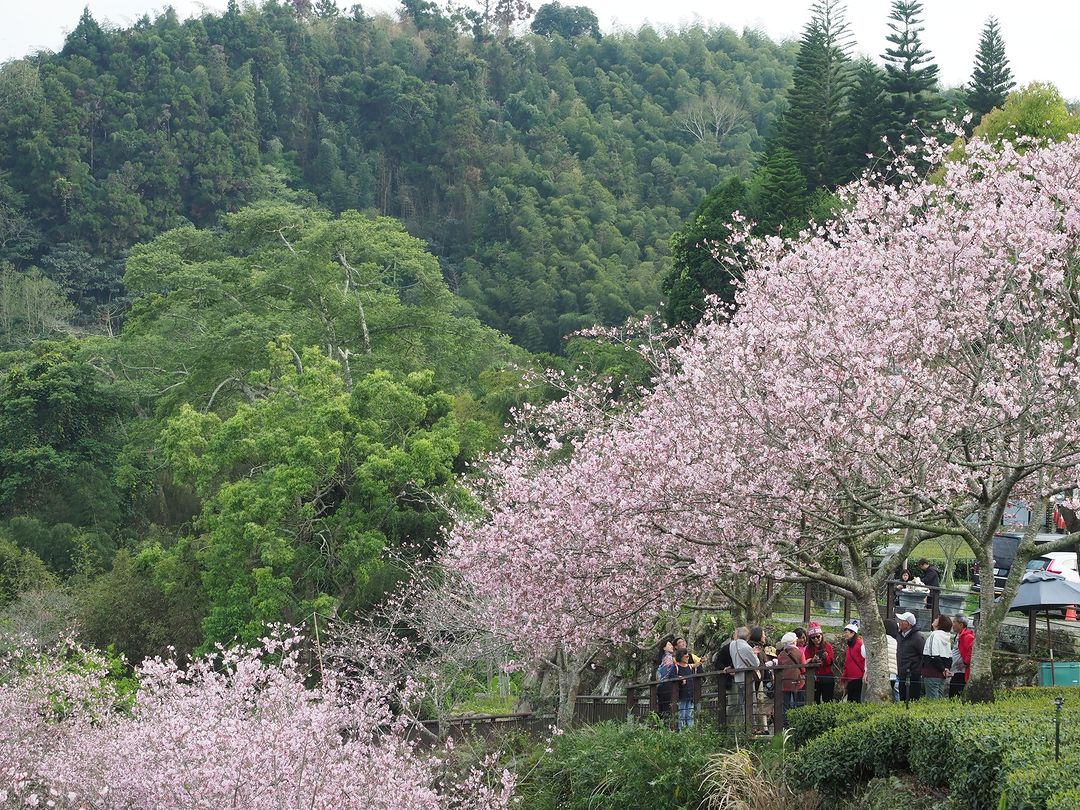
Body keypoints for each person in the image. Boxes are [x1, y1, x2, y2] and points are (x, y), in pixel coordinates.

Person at [727, 626, 761, 718]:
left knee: (743, 703)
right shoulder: (746, 647)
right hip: (747, 678)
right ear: (748, 636)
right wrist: (754, 653)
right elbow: (756, 663)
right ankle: (750, 725)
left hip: (738, 678)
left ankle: (744, 725)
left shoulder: (732, 645)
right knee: (750, 703)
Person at [802, 621, 835, 703]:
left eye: (818, 636)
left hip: (827, 677)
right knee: (814, 701)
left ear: (821, 635)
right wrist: (812, 660)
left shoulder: (828, 646)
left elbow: (830, 662)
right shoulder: (808, 649)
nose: (816, 639)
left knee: (828, 700)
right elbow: (805, 663)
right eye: (813, 638)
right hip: (814, 678)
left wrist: (825, 657)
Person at [896, 611, 925, 702]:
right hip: (901, 673)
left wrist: (916, 669)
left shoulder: (917, 638)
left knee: (912, 700)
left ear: (908, 624)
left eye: (902, 620)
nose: (899, 622)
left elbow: (923, 655)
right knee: (902, 699)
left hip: (913, 675)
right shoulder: (900, 636)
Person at [921, 614, 953, 699]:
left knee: (932, 700)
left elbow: (933, 655)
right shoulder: (947, 637)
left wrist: (942, 669)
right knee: (940, 698)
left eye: (938, 619)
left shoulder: (934, 635)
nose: (935, 619)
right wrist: (946, 669)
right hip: (942, 674)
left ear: (940, 623)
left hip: (932, 672)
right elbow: (949, 656)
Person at [775, 631, 806, 710]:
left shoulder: (781, 654)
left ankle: (785, 721)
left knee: (786, 704)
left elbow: (779, 668)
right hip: (797, 681)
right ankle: (797, 720)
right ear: (794, 642)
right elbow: (803, 668)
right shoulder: (800, 652)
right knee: (799, 704)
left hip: (785, 682)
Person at [840, 620, 865, 703]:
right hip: (850, 678)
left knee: (856, 700)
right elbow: (847, 663)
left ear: (853, 633)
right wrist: (844, 678)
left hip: (858, 678)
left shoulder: (860, 644)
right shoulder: (849, 646)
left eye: (846, 632)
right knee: (850, 701)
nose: (845, 634)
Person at [950, 616, 975, 698]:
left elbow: (972, 650)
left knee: (955, 696)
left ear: (961, 624)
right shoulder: (958, 636)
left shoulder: (967, 637)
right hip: (956, 670)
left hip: (961, 672)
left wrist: (965, 663)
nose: (952, 624)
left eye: (954, 622)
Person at [655, 639, 677, 724]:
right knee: (667, 708)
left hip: (662, 686)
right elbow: (671, 672)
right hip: (667, 685)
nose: (671, 646)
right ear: (664, 648)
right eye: (669, 645)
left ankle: (663, 727)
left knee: (663, 708)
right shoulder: (668, 658)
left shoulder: (663, 658)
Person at [674, 650, 695, 729]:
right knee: (682, 715)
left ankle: (691, 732)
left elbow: (696, 664)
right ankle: (681, 732)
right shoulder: (676, 666)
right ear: (681, 657)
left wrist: (700, 661)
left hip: (690, 694)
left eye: (688, 656)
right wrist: (679, 678)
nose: (688, 658)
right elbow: (671, 676)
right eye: (686, 656)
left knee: (690, 715)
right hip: (681, 694)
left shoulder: (689, 666)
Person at [884, 618, 901, 702]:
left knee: (883, 699)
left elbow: (864, 652)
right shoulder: (895, 641)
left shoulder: (880, 641)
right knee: (895, 697)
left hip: (883, 674)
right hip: (893, 674)